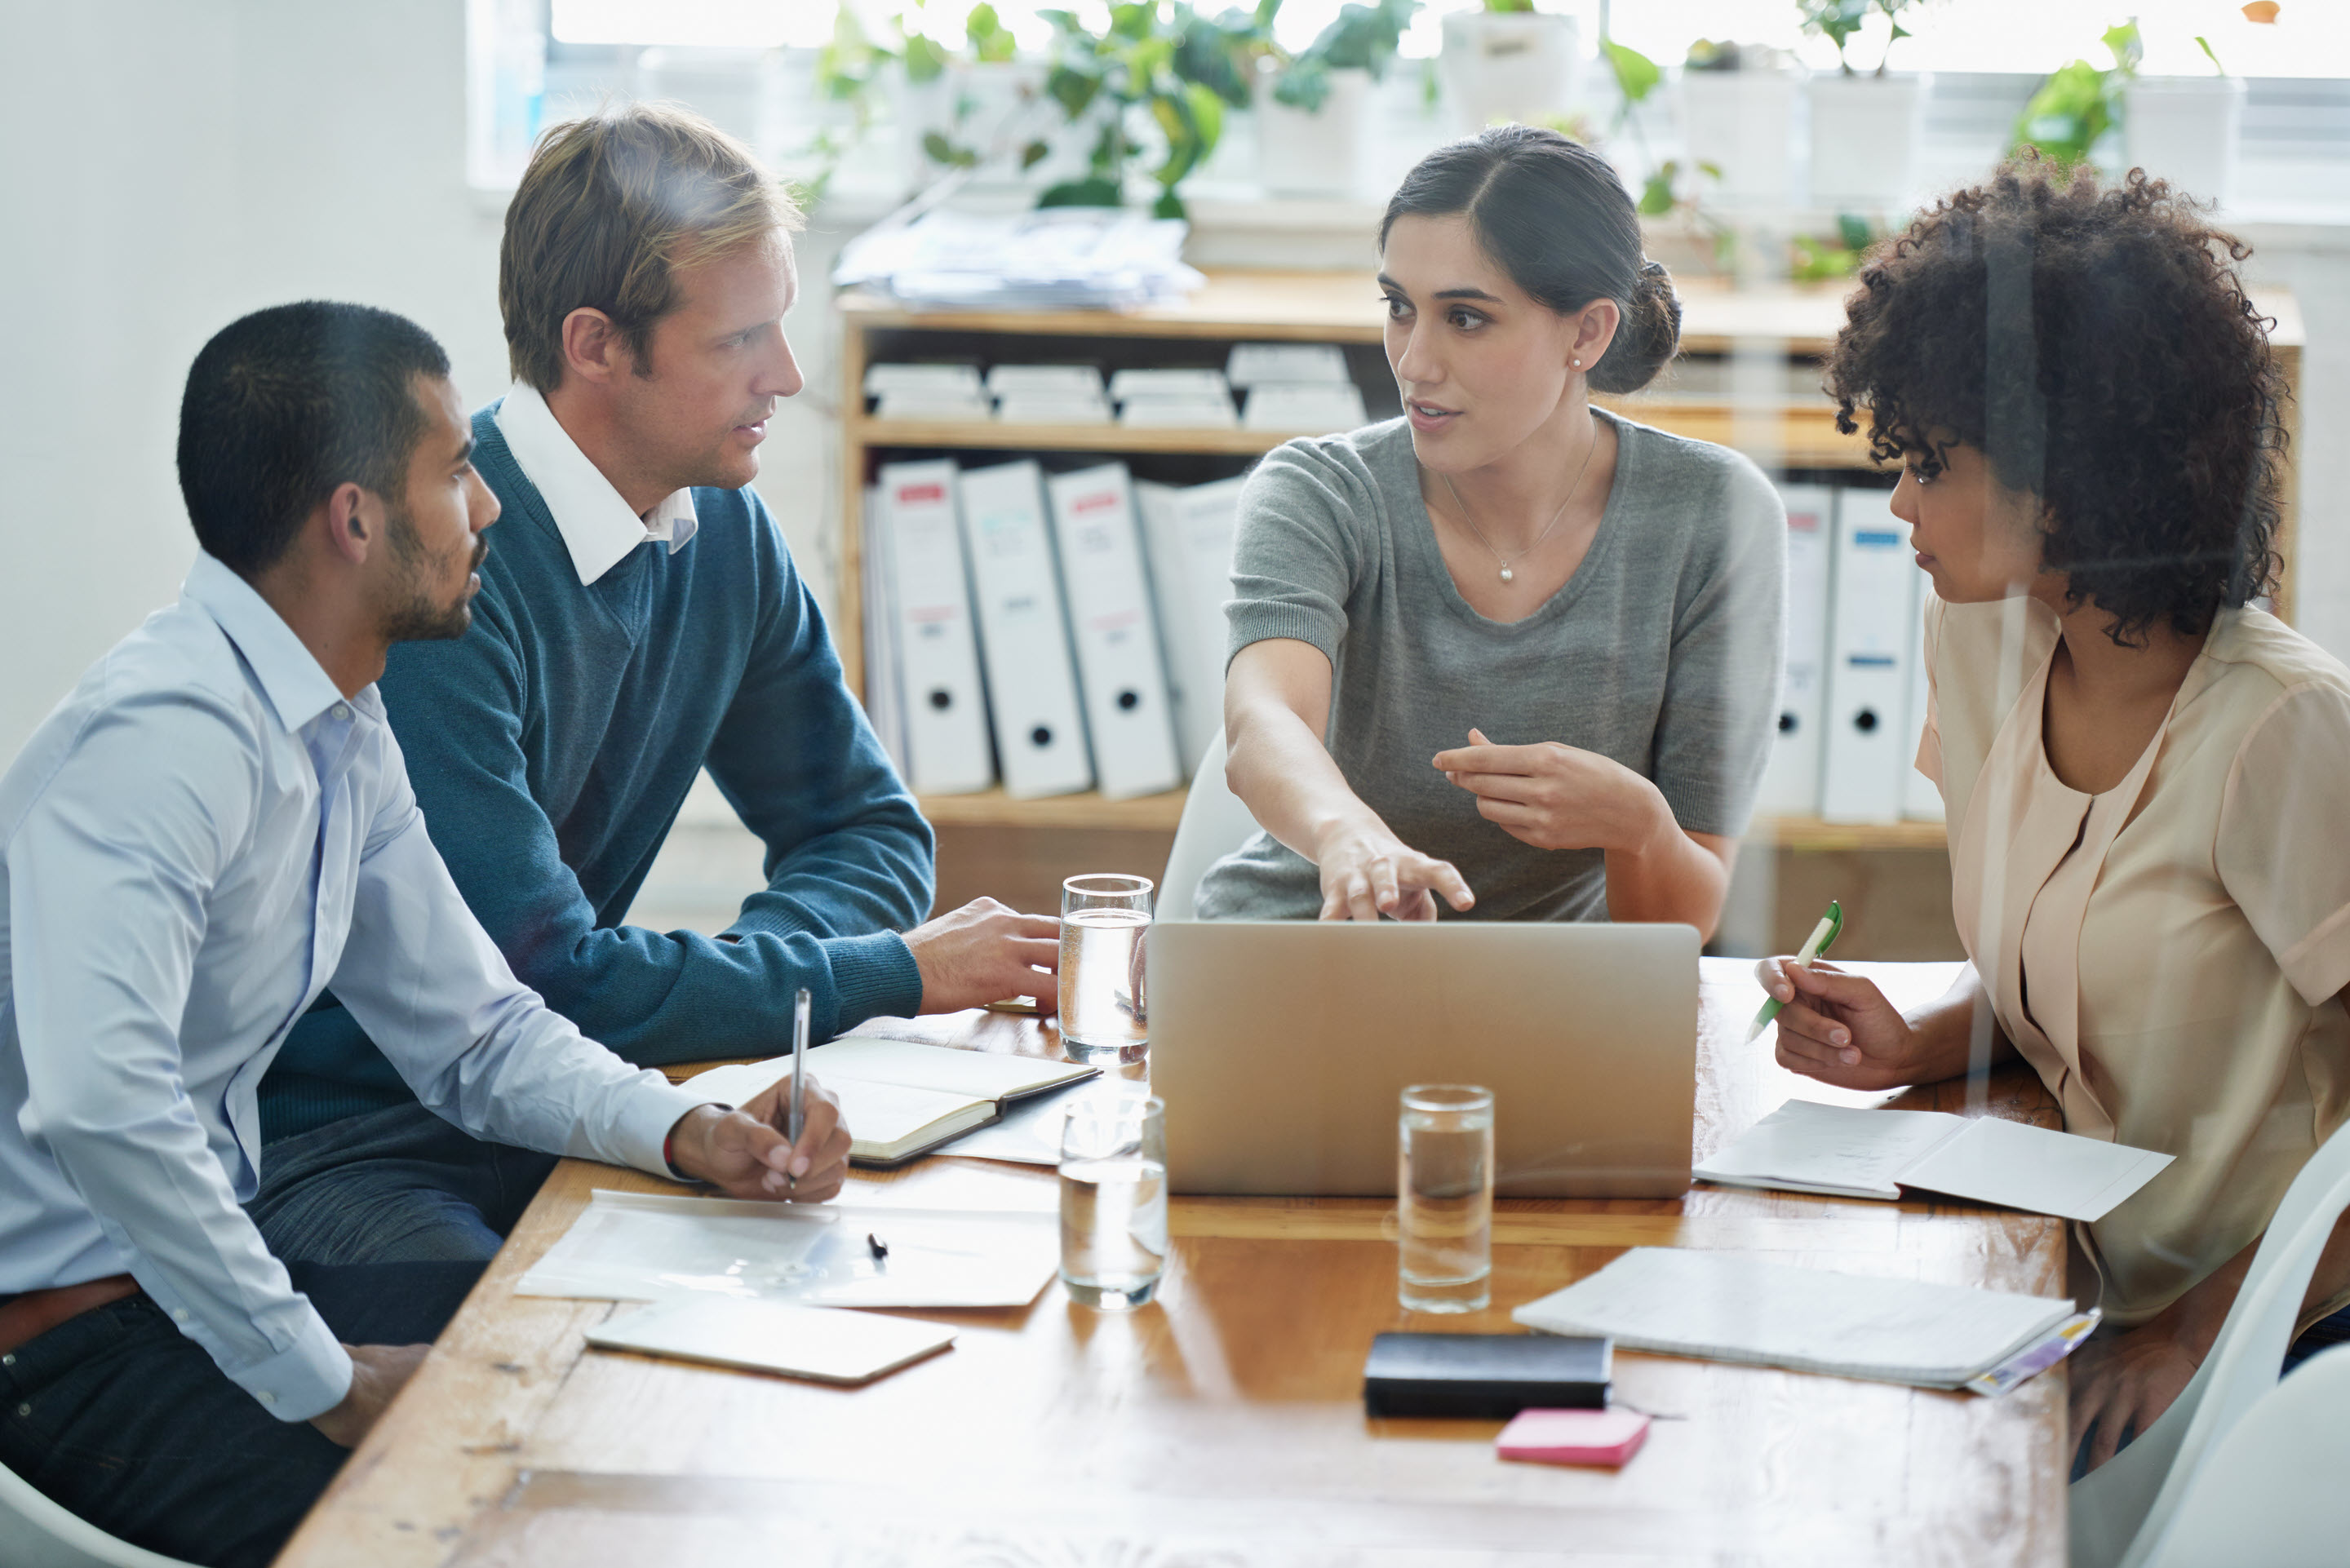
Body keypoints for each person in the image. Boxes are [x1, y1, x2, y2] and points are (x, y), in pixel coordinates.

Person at [0, 301, 853, 1567]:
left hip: (192, 1295)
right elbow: (102, 1109)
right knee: (524, 1512)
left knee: (615, 1360)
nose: (488, 507)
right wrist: (325, 1377)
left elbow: (478, 1032)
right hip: (71, 1350)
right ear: (355, 519)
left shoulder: (341, 726)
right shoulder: (163, 744)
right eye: (455, 472)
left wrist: (680, 1129)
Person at [253, 104, 1058, 1269]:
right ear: (596, 345)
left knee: (840, 1264)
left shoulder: (724, 531)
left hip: (583, 1093)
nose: (786, 375)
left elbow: (863, 828)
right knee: (549, 1350)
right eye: (742, 340)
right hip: (361, 1137)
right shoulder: (439, 570)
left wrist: (772, 1008)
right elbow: (546, 979)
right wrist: (874, 972)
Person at [1755, 157, 2350, 1477]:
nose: (1898, 505)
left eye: (1931, 465)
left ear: (2070, 477)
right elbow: (2086, 973)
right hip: (2061, 1281)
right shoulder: (1977, 643)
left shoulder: (2281, 730)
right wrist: (1917, 1037)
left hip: (2254, 1340)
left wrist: (2202, 1329)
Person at [1198, 126, 1783, 935]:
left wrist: (1639, 825)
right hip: (1299, 955)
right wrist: (1349, 834)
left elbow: (1681, 919)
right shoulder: (1319, 490)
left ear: (1587, 333)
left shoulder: (1716, 516)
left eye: (1466, 319)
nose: (1414, 362)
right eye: (1399, 308)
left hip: (1547, 1003)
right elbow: (1265, 720)